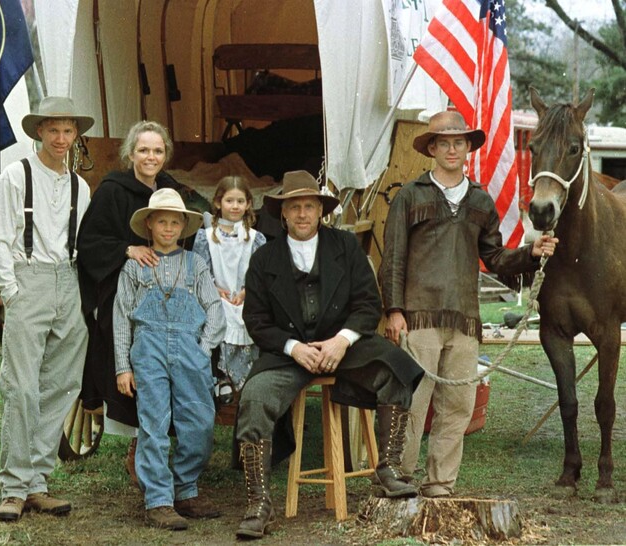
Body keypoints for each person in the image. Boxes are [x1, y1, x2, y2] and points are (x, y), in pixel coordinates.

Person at [234, 170, 425, 539]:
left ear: (320, 211)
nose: (303, 214)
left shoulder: (346, 246)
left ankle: (388, 468)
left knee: (396, 368)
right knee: (254, 399)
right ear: (283, 214)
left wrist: (343, 340)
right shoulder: (263, 258)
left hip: (343, 346)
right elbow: (255, 320)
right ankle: (258, 504)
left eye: (309, 206)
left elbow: (369, 304)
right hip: (289, 353)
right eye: (295, 207)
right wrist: (294, 348)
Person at [379, 110, 558, 498]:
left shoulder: (480, 200)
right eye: (443, 142)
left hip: (465, 320)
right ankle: (400, 479)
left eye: (458, 142)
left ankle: (439, 484)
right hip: (418, 317)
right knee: (411, 402)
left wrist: (531, 252)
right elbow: (392, 258)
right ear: (432, 148)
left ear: (467, 149)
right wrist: (394, 310)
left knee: (457, 405)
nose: (451, 149)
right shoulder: (410, 195)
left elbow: (494, 257)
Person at [0, 96, 94, 522]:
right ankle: (13, 486)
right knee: (21, 386)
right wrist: (12, 292)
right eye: (54, 130)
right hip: (27, 278)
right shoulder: (15, 177)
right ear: (39, 133)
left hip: (68, 281)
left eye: (68, 131)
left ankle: (37, 482)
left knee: (62, 382)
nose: (62, 139)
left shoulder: (80, 187)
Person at [76, 120, 184, 483]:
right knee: (134, 338)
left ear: (165, 154)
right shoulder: (112, 191)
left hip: (167, 289)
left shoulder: (170, 189)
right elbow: (89, 243)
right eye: (144, 150)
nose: (150, 157)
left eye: (157, 150)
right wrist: (127, 249)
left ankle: (165, 437)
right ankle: (138, 446)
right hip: (121, 288)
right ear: (130, 154)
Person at [113, 188, 226, 530]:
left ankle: (185, 488)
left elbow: (215, 310)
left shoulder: (196, 264)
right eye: (161, 221)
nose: (168, 228)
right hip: (148, 349)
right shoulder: (135, 266)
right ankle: (159, 500)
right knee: (154, 423)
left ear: (183, 226)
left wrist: (203, 348)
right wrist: (123, 366)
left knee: (200, 422)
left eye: (174, 222)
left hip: (190, 351)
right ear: (149, 224)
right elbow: (121, 317)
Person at [193, 176, 267, 392]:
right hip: (215, 296)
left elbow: (259, 275)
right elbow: (200, 273)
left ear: (248, 204)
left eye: (240, 201)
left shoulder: (256, 238)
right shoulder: (205, 237)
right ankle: (220, 376)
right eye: (229, 201)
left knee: (248, 315)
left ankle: (247, 378)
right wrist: (214, 290)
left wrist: (246, 291)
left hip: (245, 297)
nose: (235, 206)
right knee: (218, 313)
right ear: (218, 203)